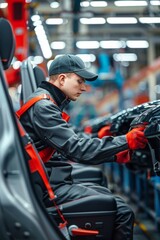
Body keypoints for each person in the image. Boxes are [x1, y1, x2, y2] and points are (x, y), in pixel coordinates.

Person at [18, 54, 148, 240]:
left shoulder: (48, 103)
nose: (84, 88)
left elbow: (73, 139)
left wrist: (111, 147)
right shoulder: (43, 106)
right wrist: (126, 141)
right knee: (122, 211)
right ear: (62, 79)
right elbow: (78, 149)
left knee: (106, 193)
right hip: (49, 188)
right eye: (79, 81)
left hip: (52, 179)